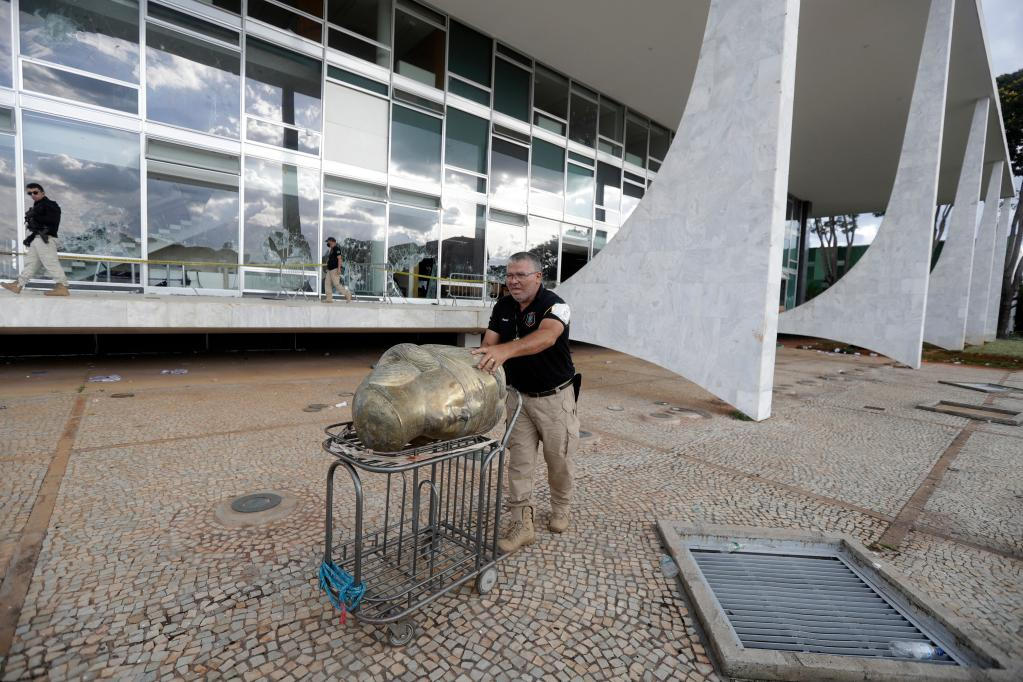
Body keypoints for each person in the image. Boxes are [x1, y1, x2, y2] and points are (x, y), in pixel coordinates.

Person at [471, 252, 579, 553]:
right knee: (519, 463)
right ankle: (522, 522)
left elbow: (546, 338)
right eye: (509, 275)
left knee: (559, 459)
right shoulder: (503, 305)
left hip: (554, 398)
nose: (513, 281)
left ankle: (561, 507)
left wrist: (505, 352)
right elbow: (489, 344)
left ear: (538, 277)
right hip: (517, 398)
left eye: (520, 275)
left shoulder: (556, 306)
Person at [2, 183, 69, 296]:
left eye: (35, 192)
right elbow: (38, 227)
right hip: (38, 238)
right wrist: (30, 237)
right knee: (31, 263)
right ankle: (18, 285)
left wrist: (34, 215)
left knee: (50, 262)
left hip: (45, 239)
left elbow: (52, 221)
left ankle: (62, 286)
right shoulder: (38, 206)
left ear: (42, 192)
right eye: (30, 193)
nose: (32, 195)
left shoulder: (50, 204)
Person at [322, 237, 352, 303]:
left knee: (336, 284)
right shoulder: (331, 249)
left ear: (332, 241)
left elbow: (339, 259)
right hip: (329, 270)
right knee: (327, 284)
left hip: (334, 269)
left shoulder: (337, 249)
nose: (327, 243)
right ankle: (329, 299)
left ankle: (348, 294)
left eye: (328, 241)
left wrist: (339, 269)